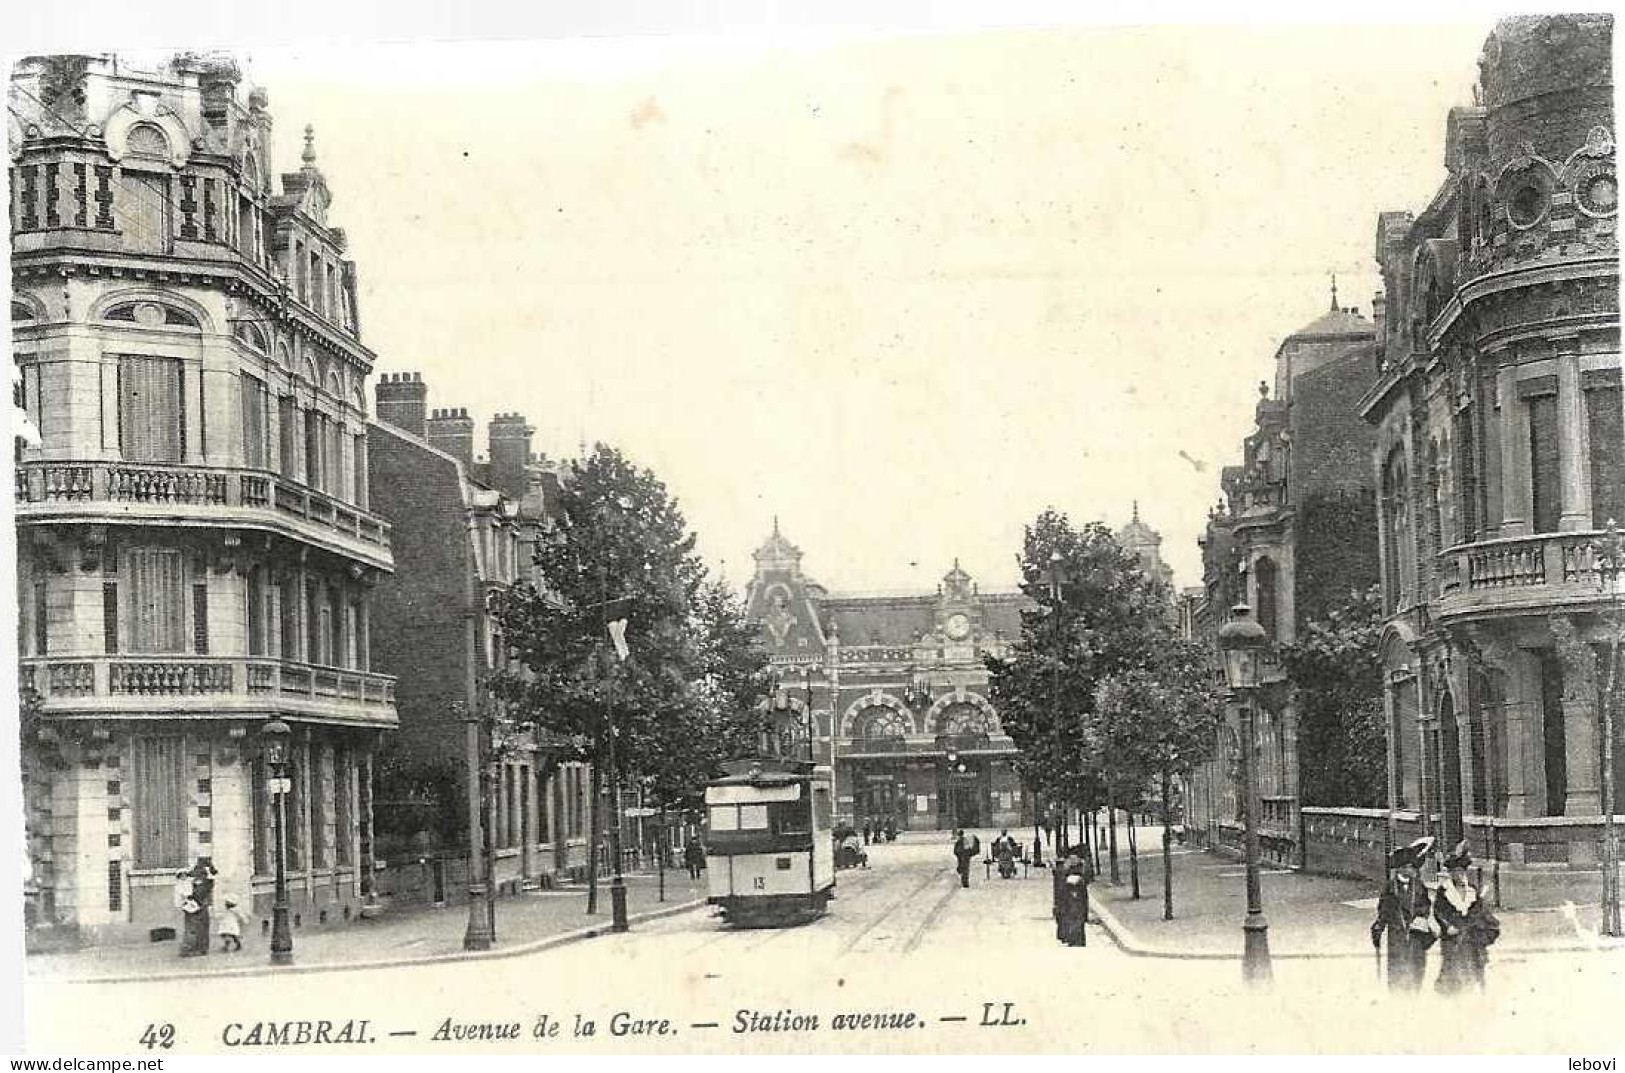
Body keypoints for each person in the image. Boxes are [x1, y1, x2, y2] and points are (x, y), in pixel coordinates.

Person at [1433, 840, 1499, 995]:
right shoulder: (1444, 892)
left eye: (1461, 871)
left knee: (1474, 968)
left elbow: (1479, 912)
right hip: (1452, 937)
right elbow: (1439, 912)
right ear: (1450, 873)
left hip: (1470, 936)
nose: (1458, 875)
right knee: (1453, 970)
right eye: (1455, 872)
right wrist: (1448, 926)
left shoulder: (1472, 890)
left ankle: (1475, 996)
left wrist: (1473, 921)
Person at [1370, 837, 1436, 991]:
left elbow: (1425, 904)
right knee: (1398, 970)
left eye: (1413, 867)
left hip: (1416, 934)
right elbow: (1383, 910)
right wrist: (1378, 927)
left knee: (1416, 969)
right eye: (1408, 867)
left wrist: (1422, 916)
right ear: (1400, 869)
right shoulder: (1390, 887)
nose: (1412, 870)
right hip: (1397, 935)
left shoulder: (1419, 886)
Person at [1053, 845, 1091, 946]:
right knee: (1072, 915)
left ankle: (1074, 938)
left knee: (1074, 916)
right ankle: (1072, 937)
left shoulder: (1076, 866)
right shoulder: (1069, 867)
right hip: (1071, 896)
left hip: (1074, 896)